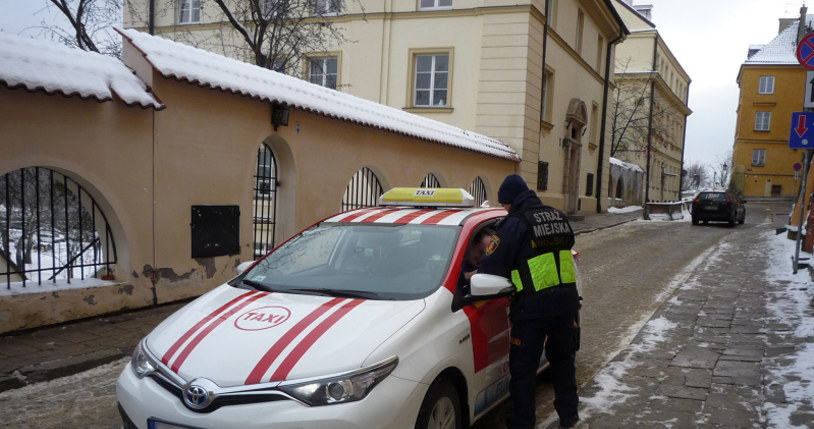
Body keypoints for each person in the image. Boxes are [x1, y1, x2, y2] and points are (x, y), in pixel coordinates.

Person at [479, 174, 580, 429]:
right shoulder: (558, 216)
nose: (503, 209)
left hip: (532, 310)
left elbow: (491, 265)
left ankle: (522, 424)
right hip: (566, 306)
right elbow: (567, 243)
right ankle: (569, 416)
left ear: (511, 200)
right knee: (563, 362)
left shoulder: (514, 224)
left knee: (523, 371)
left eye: (504, 204)